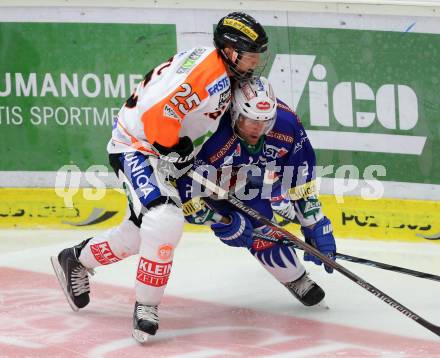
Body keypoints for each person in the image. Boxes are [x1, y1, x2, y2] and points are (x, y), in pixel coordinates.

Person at [51, 12, 269, 343]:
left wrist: (180, 152)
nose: (254, 64)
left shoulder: (218, 68)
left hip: (159, 151)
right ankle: (146, 306)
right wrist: (175, 146)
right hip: (137, 147)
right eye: (250, 56)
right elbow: (157, 114)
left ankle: (76, 258)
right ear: (229, 50)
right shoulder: (211, 76)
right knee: (164, 219)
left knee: (142, 234)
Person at [176, 76, 337, 306]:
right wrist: (221, 221)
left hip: (245, 179)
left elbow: (300, 178)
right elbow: (184, 195)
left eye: (265, 121)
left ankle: (295, 278)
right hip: (203, 183)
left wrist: (315, 224)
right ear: (234, 113)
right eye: (250, 120)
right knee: (144, 232)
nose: (258, 128)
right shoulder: (210, 134)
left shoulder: (286, 125)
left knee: (263, 225)